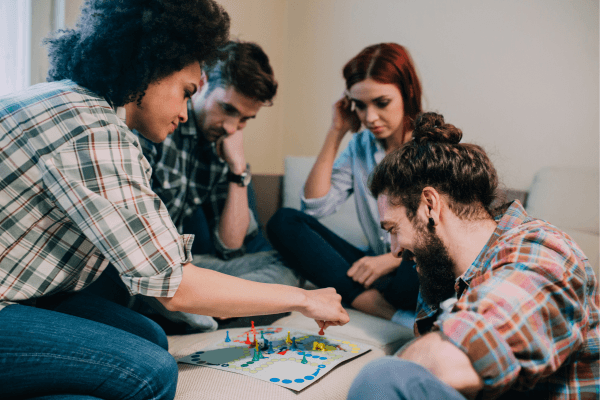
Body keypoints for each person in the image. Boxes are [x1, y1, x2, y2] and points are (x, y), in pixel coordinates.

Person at [0, 1, 348, 399]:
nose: (184, 113)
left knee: (149, 337)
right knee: (154, 372)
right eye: (185, 93)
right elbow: (174, 285)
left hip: (28, 290)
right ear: (150, 68)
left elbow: (225, 246)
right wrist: (304, 298)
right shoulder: (95, 131)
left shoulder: (77, 104)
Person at [347, 112, 599, 400]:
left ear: (430, 206)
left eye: (393, 229)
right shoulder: (443, 278)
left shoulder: (542, 250)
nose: (394, 249)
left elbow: (454, 361)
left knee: (381, 378)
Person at [133, 40, 301, 332]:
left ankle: (210, 310)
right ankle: (211, 312)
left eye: (245, 120)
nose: (231, 127)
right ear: (201, 82)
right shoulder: (159, 124)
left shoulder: (222, 146)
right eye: (227, 109)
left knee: (291, 265)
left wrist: (238, 170)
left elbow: (230, 247)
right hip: (148, 269)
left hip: (186, 267)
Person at [267, 43, 422, 323]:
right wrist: (336, 132)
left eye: (381, 103)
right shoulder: (360, 145)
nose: (370, 117)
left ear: (407, 91)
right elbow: (314, 207)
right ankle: (385, 310)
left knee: (414, 270)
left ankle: (377, 299)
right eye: (360, 106)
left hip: (412, 270)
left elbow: (443, 235)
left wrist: (391, 260)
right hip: (374, 271)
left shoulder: (432, 144)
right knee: (284, 222)